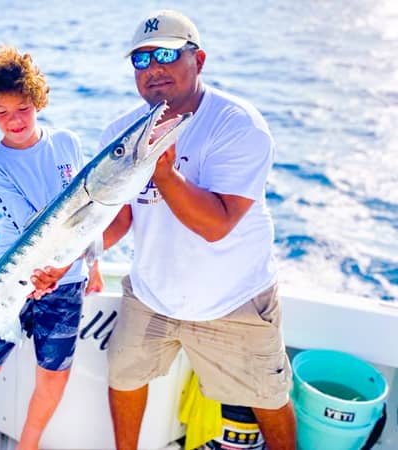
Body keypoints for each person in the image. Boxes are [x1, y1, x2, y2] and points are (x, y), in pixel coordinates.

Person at [32, 9, 296, 450]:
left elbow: (218, 225)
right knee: (124, 376)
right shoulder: (122, 132)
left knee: (267, 398)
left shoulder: (238, 125)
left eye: (167, 54)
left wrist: (166, 176)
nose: (153, 69)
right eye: (141, 60)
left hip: (234, 299)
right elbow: (117, 217)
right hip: (152, 295)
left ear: (200, 59)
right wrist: (66, 259)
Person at [0, 45, 102, 450]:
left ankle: (29, 445)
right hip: (12, 277)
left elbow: (88, 211)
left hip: (67, 279)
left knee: (53, 372)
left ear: (36, 100)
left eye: (21, 108)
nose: (14, 121)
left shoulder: (68, 143)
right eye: (1, 113)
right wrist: (41, 273)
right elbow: (29, 224)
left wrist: (92, 264)